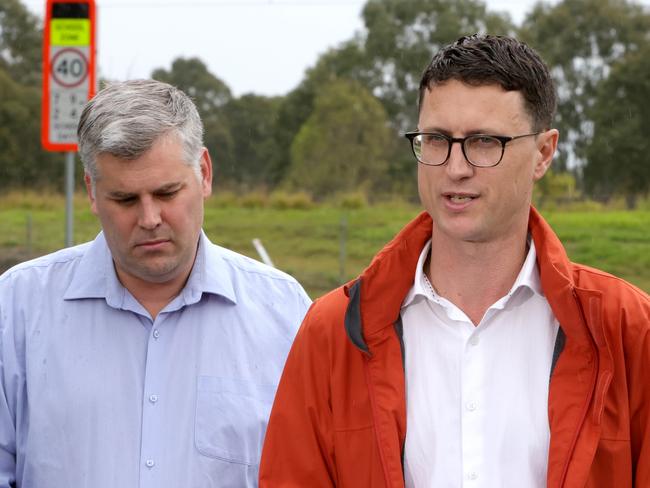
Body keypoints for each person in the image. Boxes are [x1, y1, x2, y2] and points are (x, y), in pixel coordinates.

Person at [259, 35, 650, 487]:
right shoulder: (334, 331)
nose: (456, 167)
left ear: (543, 153)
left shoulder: (627, 330)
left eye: (485, 142)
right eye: (437, 139)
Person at [0, 79, 311, 488]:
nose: (149, 219)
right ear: (92, 192)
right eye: (125, 200)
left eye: (167, 193)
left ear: (204, 173)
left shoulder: (284, 314)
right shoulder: (17, 310)